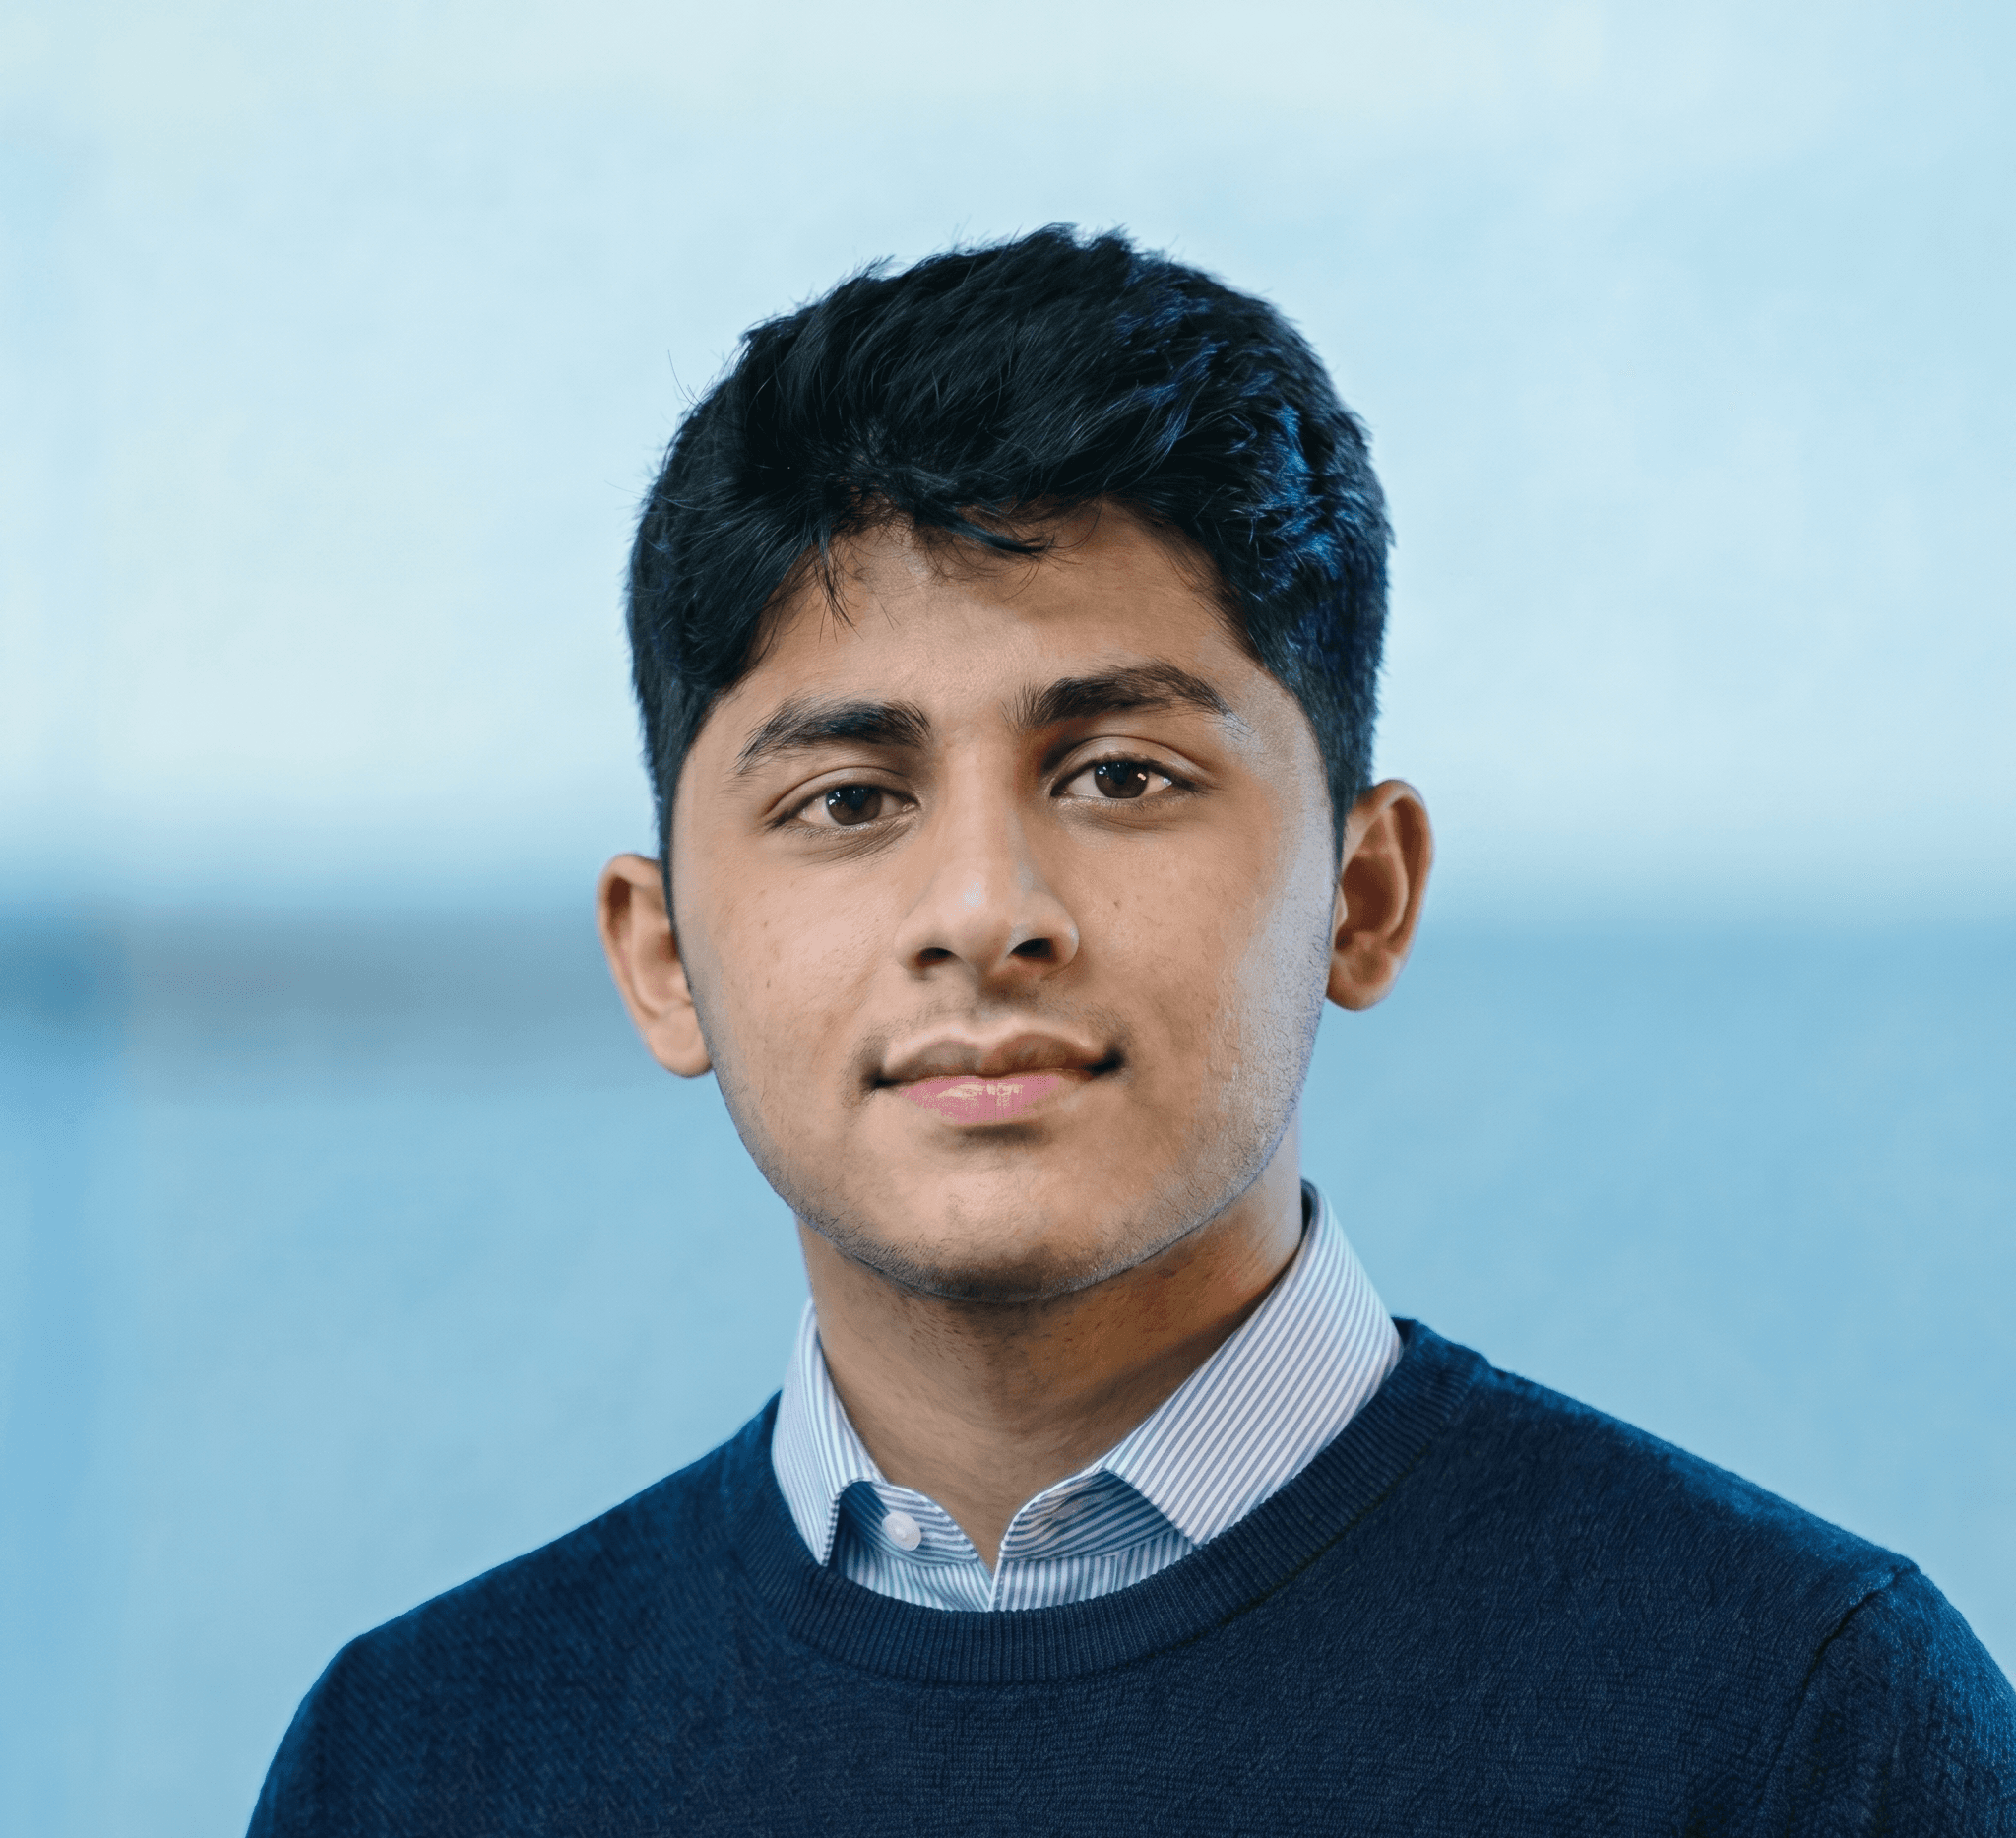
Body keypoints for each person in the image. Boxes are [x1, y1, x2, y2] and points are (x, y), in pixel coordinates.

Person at [249, 226, 2015, 1835]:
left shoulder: (1796, 1722)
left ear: (1365, 890)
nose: (983, 907)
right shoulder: (421, 1759)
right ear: (661, 958)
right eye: (852, 798)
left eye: (1119, 773)